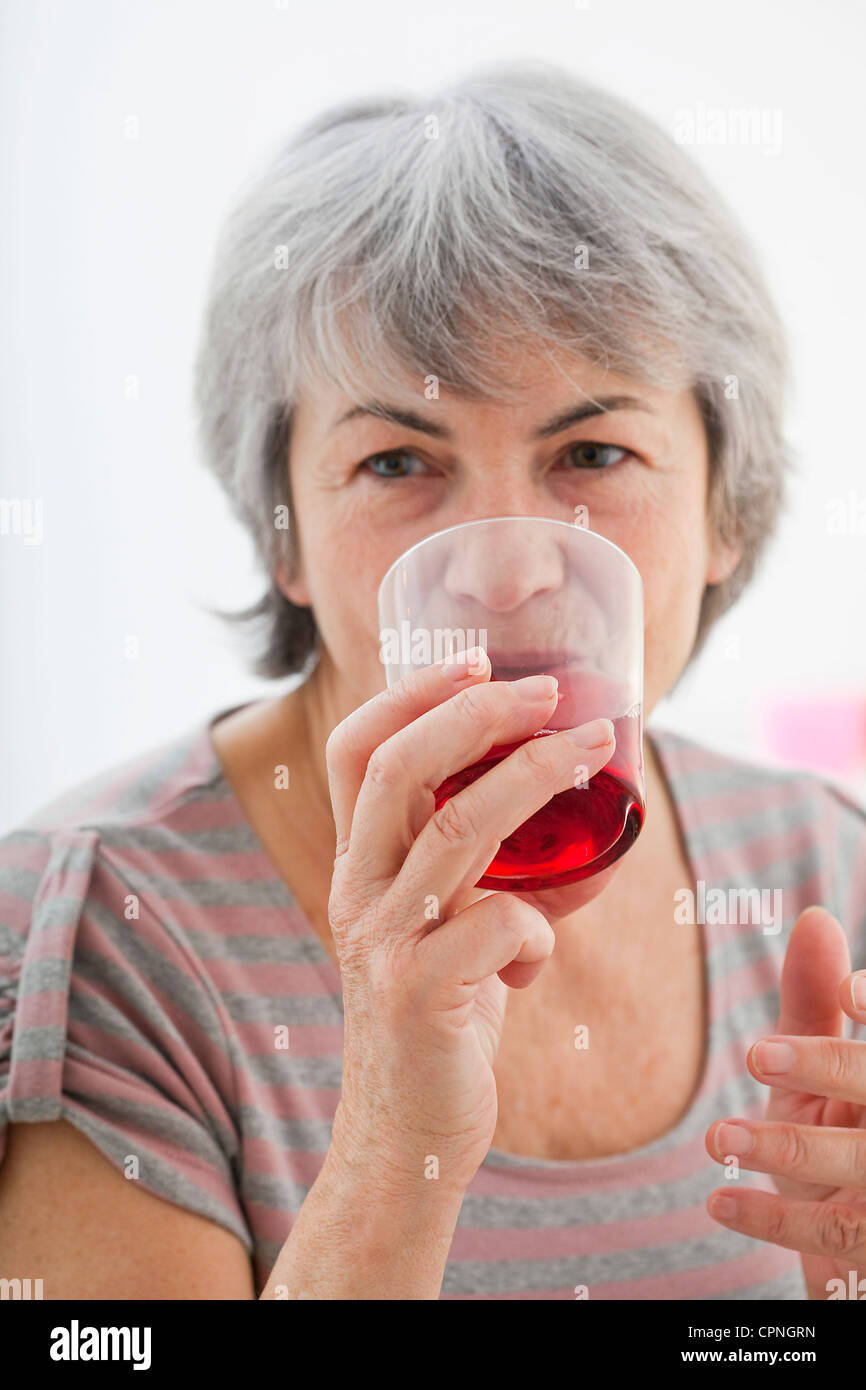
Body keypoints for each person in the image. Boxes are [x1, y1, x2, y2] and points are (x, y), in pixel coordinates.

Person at [2, 60, 865, 1301]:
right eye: (399, 457)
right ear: (283, 532)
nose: (509, 567)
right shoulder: (98, 936)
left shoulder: (822, 873)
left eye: (593, 450)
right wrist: (391, 1144)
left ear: (724, 510)